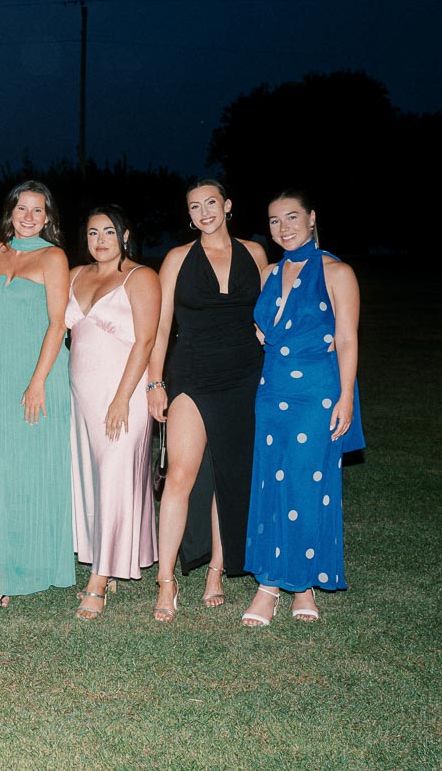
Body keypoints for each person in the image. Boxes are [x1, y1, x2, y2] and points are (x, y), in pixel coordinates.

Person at [146, 180, 268, 622]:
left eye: (210, 203)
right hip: (192, 374)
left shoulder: (255, 254)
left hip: (245, 375)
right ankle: (166, 580)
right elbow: (161, 329)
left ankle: (217, 569)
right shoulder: (178, 259)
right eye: (194, 207)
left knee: (229, 474)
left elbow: (274, 309)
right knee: (180, 472)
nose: (203, 212)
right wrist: (154, 382)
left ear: (227, 205)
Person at [241, 190, 363, 626]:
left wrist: (346, 397)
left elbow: (347, 338)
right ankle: (269, 585)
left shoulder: (337, 271)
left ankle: (303, 584)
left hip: (318, 392)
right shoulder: (270, 272)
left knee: (307, 481)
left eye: (292, 217)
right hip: (272, 390)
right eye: (274, 221)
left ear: (312, 218)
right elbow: (263, 327)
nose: (284, 227)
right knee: (270, 480)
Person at [0, 181, 76, 607]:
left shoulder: (54, 257)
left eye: (38, 210)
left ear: (48, 217)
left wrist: (36, 381)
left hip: (38, 373)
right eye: (22, 209)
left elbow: (58, 323)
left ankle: (26, 567)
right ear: (11, 212)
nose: (29, 217)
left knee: (30, 471)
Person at [65, 206, 162, 619]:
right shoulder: (74, 275)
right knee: (94, 480)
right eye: (92, 232)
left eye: (108, 231)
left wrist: (123, 398)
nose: (100, 239)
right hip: (80, 397)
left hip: (123, 394)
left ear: (124, 235)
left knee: (117, 476)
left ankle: (100, 580)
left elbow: (146, 341)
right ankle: (106, 554)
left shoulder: (141, 277)